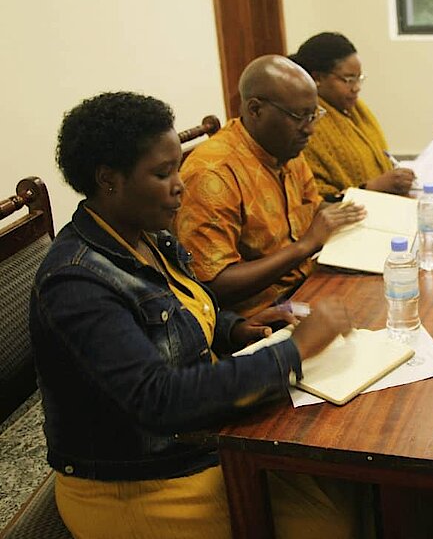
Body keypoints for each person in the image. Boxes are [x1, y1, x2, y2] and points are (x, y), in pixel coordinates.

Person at [31, 92, 371, 538]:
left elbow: (184, 310)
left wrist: (236, 329)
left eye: (178, 168)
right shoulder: (76, 282)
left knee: (348, 487)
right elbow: (159, 398)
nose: (181, 186)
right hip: (136, 483)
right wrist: (295, 350)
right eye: (162, 174)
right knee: (328, 523)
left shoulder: (147, 237)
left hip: (197, 439)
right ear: (108, 179)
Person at [176, 55, 366, 316]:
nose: (310, 129)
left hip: (307, 283)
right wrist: (305, 245)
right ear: (255, 110)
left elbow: (312, 208)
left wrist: (364, 217)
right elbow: (213, 285)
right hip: (259, 315)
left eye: (314, 115)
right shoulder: (213, 174)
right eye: (300, 116)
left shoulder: (285, 146)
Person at [290, 32, 415, 200]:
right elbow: (315, 198)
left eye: (359, 78)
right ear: (317, 78)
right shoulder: (307, 123)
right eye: (348, 80)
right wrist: (372, 187)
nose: (356, 88)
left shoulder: (356, 110)